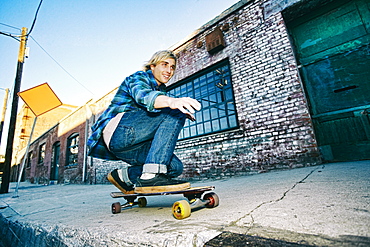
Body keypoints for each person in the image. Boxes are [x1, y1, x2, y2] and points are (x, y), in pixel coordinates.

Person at [87, 50, 201, 194]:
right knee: (174, 112)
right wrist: (171, 102)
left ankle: (124, 176)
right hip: (119, 133)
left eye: (172, 67)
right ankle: (150, 176)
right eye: (164, 65)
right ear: (152, 66)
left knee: (174, 167)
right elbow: (144, 96)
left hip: (132, 146)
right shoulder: (138, 77)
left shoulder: (161, 91)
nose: (169, 70)